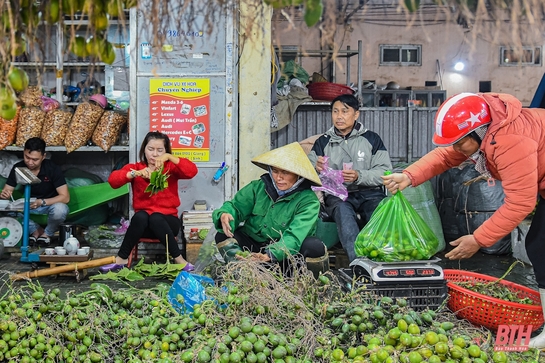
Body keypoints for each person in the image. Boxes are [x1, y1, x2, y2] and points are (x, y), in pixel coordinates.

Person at [381, 92, 545, 348]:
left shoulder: (510, 141)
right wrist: (409, 176)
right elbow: (446, 155)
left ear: (479, 132)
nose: (456, 149)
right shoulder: (488, 132)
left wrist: (478, 239)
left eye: (459, 142)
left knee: (540, 246)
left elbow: (520, 202)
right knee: (540, 246)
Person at [213, 142, 329, 277]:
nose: (279, 177)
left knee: (314, 246)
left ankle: (304, 283)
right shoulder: (258, 188)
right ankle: (245, 276)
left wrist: (271, 253)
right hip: (255, 249)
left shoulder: (309, 201)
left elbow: (295, 236)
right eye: (275, 171)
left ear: (298, 174)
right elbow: (236, 207)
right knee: (222, 234)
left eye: (285, 172)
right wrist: (225, 214)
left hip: (286, 254)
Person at [307, 94, 393, 262]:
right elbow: (306, 171)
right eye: (335, 111)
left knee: (380, 213)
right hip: (338, 195)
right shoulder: (322, 142)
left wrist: (359, 175)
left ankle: (385, 260)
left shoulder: (371, 139)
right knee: (343, 214)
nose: (339, 116)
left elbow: (384, 171)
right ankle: (359, 263)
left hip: (370, 192)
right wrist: (315, 168)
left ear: (356, 114)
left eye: (345, 111)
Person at [100, 131, 198, 272]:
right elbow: (113, 181)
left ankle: (180, 260)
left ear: (165, 151)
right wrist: (135, 173)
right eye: (150, 149)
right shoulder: (137, 168)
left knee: (156, 218)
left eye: (160, 150)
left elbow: (191, 171)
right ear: (144, 150)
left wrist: (170, 157)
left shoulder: (170, 168)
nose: (155, 154)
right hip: (143, 227)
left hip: (168, 224)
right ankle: (121, 259)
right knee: (141, 216)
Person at [0, 137, 69, 245]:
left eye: (35, 159)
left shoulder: (52, 168)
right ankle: (36, 230)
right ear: (24, 152)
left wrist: (41, 202)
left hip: (48, 206)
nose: (30, 162)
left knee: (60, 209)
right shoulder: (18, 168)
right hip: (27, 206)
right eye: (27, 157)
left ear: (43, 157)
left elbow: (65, 197)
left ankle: (47, 234)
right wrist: (5, 195)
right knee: (6, 209)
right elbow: (7, 190)